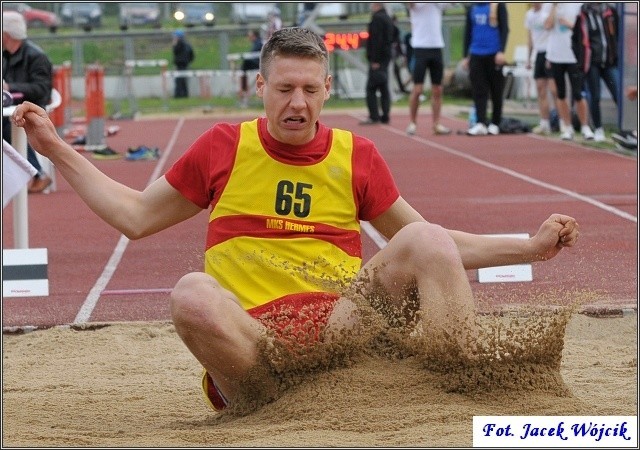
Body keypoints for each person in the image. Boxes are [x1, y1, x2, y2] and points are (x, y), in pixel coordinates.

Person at [12, 27, 580, 413]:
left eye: (310, 90)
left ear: (328, 89)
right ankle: (271, 407)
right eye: (284, 89)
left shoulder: (355, 154)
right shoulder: (223, 147)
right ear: (260, 87)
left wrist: (529, 248)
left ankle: (460, 384)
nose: (297, 104)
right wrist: (56, 148)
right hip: (252, 340)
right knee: (191, 294)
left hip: (340, 331)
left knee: (424, 238)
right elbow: (134, 216)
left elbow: (432, 246)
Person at [2, 10, 53, 194]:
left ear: (6, 35)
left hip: (34, 108)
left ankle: (37, 174)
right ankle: (28, 174)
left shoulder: (36, 56)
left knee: (6, 126)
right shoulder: (6, 56)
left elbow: (42, 89)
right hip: (12, 108)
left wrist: (10, 87)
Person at [544, 3, 594, 141]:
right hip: (556, 55)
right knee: (561, 93)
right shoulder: (549, 6)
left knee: (578, 93)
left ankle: (585, 126)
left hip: (573, 55)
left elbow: (584, 29)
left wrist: (568, 24)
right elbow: (547, 26)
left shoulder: (578, 5)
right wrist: (554, 7)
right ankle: (567, 126)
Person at [405, 3, 456, 136]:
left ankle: (436, 124)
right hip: (420, 48)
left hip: (436, 47)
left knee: (438, 89)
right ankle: (412, 122)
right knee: (418, 89)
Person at [573, 2, 620, 142]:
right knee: (595, 95)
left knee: (619, 94)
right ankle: (598, 128)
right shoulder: (583, 13)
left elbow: (617, 34)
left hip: (610, 61)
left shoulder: (610, 11)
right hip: (592, 62)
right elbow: (576, 38)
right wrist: (581, 58)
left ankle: (628, 129)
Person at [463, 2, 509, 136]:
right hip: (476, 54)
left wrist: (501, 50)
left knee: (496, 90)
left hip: (494, 54)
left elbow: (505, 28)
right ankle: (480, 122)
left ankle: (495, 122)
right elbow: (468, 32)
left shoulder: (498, 6)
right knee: (479, 90)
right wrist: (466, 56)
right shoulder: (472, 8)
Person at [524, 3, 558, 136]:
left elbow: (551, 28)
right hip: (539, 53)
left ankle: (561, 122)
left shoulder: (547, 10)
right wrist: (528, 57)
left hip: (550, 52)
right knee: (540, 89)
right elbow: (530, 37)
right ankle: (545, 123)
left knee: (555, 90)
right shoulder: (529, 15)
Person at [360, 3, 394, 125]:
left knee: (371, 88)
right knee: (384, 87)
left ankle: (374, 116)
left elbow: (376, 40)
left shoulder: (377, 18)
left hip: (378, 59)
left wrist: (375, 60)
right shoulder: (388, 18)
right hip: (386, 58)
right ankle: (385, 115)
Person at [237, 29, 263, 108]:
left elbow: (254, 56)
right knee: (245, 64)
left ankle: (243, 90)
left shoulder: (258, 43)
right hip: (257, 64)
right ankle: (243, 89)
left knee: (245, 63)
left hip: (259, 64)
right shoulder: (257, 43)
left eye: (250, 36)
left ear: (254, 36)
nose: (249, 38)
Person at [390, 14, 409, 95]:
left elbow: (397, 42)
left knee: (396, 71)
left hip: (392, 53)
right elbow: (397, 42)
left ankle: (401, 88)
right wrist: (402, 54)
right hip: (390, 53)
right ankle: (400, 88)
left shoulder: (394, 29)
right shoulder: (393, 29)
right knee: (394, 71)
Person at [172, 29, 194, 99]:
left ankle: (179, 95)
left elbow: (176, 52)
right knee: (183, 81)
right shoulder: (187, 45)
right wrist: (189, 61)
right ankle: (184, 95)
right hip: (185, 64)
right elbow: (192, 55)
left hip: (180, 65)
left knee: (179, 81)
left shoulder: (179, 45)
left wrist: (174, 44)